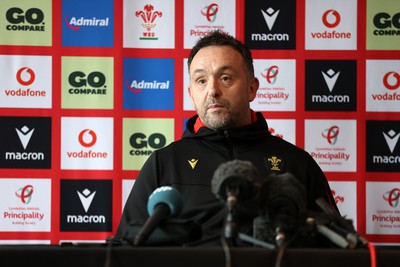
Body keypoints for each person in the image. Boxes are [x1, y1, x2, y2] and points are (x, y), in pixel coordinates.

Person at [114, 30, 339, 246]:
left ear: (252, 88)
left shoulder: (297, 162)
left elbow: (335, 245)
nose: (212, 90)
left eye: (225, 78)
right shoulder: (163, 163)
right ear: (191, 94)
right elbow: (127, 245)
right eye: (201, 81)